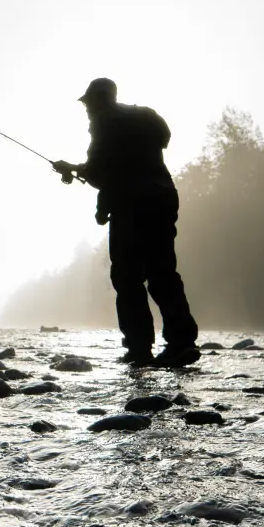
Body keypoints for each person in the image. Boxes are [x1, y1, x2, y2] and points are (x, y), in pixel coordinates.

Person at [52, 78, 200, 368]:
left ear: (97, 100)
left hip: (132, 206)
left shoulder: (104, 122)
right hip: (163, 197)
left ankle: (139, 348)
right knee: (162, 273)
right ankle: (182, 343)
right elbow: (146, 151)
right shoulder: (146, 116)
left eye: (87, 103)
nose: (86, 110)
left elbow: (100, 173)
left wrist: (70, 169)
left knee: (127, 278)